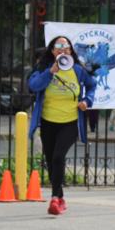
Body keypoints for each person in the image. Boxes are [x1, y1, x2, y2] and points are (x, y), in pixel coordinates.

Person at [28, 36, 97, 216]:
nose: (63, 51)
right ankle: (60, 197)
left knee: (58, 157)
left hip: (70, 122)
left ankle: (54, 199)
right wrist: (50, 72)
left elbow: (92, 85)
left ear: (71, 51)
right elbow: (33, 86)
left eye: (66, 48)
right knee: (51, 161)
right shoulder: (43, 68)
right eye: (58, 47)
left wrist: (87, 101)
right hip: (48, 122)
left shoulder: (78, 70)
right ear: (52, 51)